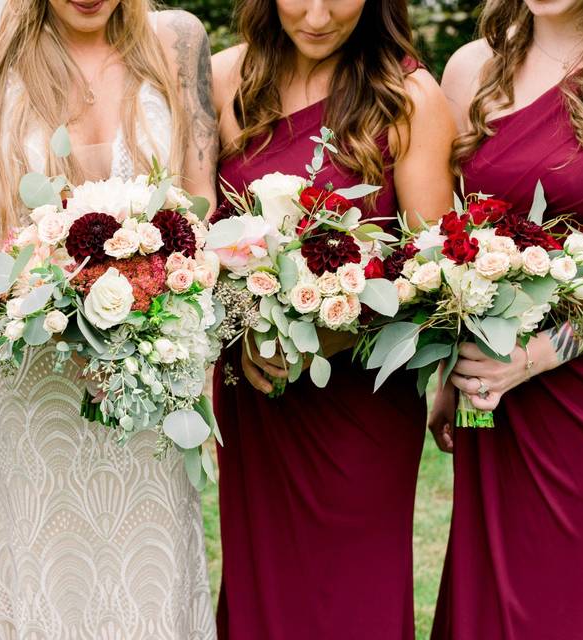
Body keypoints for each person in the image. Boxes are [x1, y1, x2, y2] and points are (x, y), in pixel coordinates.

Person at [0, 0, 219, 636]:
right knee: (45, 564)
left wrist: (156, 300)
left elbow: (202, 205)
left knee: (149, 567)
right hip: (36, 368)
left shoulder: (176, 40)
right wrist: (46, 295)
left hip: (151, 367)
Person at [209, 1, 455, 637]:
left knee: (354, 604)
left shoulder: (407, 99)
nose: (317, 15)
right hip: (256, 397)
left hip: (360, 408)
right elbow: (195, 240)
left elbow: (432, 279)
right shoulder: (222, 81)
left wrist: (329, 330)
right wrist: (242, 334)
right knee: (263, 596)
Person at [431, 1, 583, 637]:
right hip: (494, 391)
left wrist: (537, 355)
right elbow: (456, 241)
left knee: (578, 607)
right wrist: (445, 370)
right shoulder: (470, 71)